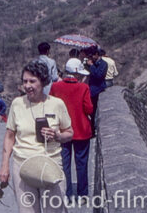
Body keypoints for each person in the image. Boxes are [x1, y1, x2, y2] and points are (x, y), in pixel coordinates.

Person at [0, 60, 73, 213]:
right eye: (25, 81)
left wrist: (57, 136)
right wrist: (4, 165)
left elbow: (70, 133)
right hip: (23, 166)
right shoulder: (17, 104)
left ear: (43, 82)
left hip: (50, 165)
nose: (28, 85)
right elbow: (10, 136)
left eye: (32, 81)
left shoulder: (57, 104)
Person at [50, 58, 93, 198]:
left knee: (64, 163)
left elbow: (51, 107)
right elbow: (89, 109)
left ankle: (66, 194)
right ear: (77, 74)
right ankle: (82, 194)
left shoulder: (55, 87)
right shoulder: (83, 87)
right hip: (81, 130)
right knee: (81, 163)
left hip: (62, 131)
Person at [82, 45, 107, 132]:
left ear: (96, 54)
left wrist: (92, 66)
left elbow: (99, 76)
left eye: (92, 56)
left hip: (98, 90)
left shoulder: (103, 64)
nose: (91, 58)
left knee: (95, 112)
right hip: (90, 90)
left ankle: (93, 129)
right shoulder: (91, 64)